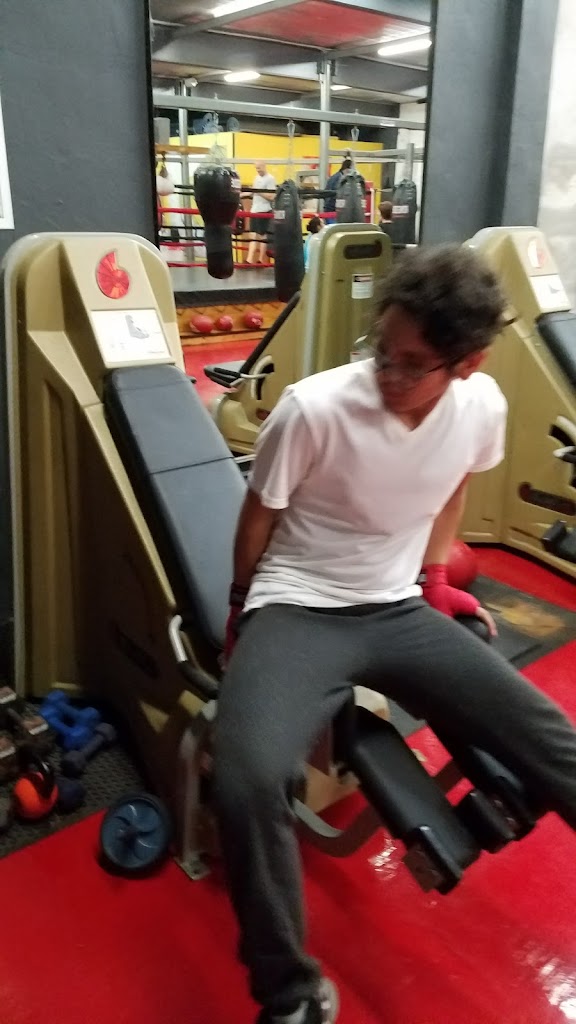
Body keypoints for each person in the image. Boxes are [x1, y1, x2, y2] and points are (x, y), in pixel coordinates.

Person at [213, 245, 576, 1024]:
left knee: (549, 736)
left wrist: (434, 580)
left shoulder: (481, 407)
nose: (388, 372)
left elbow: (453, 487)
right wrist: (242, 612)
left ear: (468, 364)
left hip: (396, 607)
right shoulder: (313, 408)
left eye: (412, 364)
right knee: (246, 779)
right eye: (383, 349)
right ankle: (289, 992)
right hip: (299, 606)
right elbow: (258, 517)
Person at [246, 160, 276, 265]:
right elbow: (254, 193)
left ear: (264, 166)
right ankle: (250, 259)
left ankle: (260, 259)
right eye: (256, 168)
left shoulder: (270, 179)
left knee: (262, 235)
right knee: (253, 234)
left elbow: (272, 196)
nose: (258, 170)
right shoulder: (256, 178)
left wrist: (258, 191)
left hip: (264, 210)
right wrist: (241, 194)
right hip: (254, 210)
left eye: (259, 168)